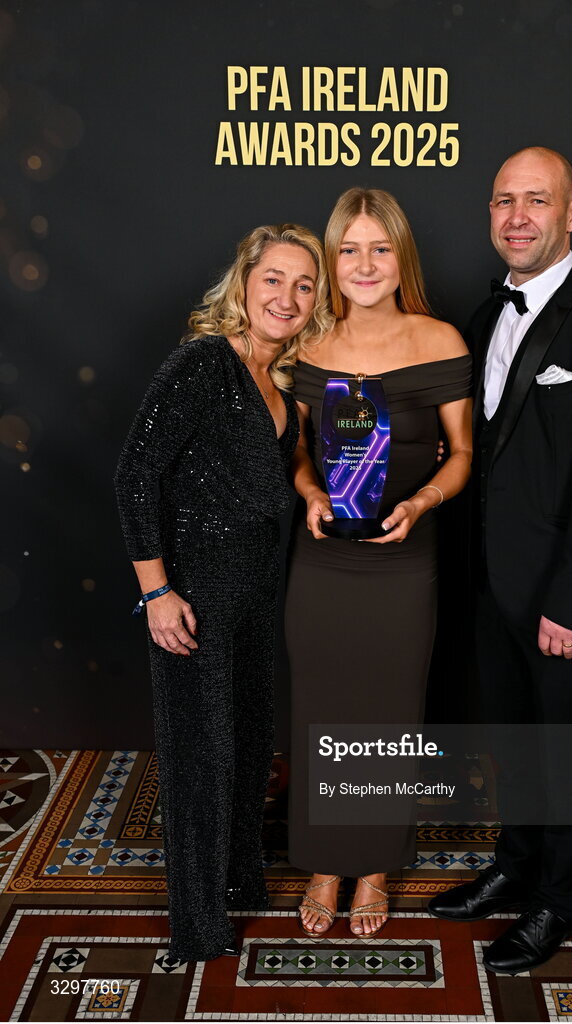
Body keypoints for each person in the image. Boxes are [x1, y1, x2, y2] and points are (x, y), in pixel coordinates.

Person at [427, 147, 572, 973]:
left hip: (567, 594)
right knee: (513, 738)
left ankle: (561, 897)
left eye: (536, 201)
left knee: (560, 745)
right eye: (503, 201)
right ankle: (515, 866)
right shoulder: (485, 316)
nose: (517, 217)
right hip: (494, 582)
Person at [114, 224, 332, 962]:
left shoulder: (283, 381)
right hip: (194, 598)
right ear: (243, 283)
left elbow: (286, 477)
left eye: (304, 285)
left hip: (256, 594)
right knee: (200, 760)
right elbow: (134, 476)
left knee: (244, 747)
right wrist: (156, 594)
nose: (288, 297)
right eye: (273, 279)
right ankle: (198, 927)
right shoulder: (204, 362)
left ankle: (238, 882)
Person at [285, 187, 473, 938]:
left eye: (380, 247)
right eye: (349, 249)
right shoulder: (308, 343)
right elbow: (299, 449)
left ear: (402, 257)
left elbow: (462, 456)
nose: (365, 264)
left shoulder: (442, 340)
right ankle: (328, 862)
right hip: (323, 561)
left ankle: (375, 868)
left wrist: (422, 502)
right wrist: (306, 491)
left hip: (406, 562)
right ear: (333, 261)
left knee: (387, 715)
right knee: (322, 709)